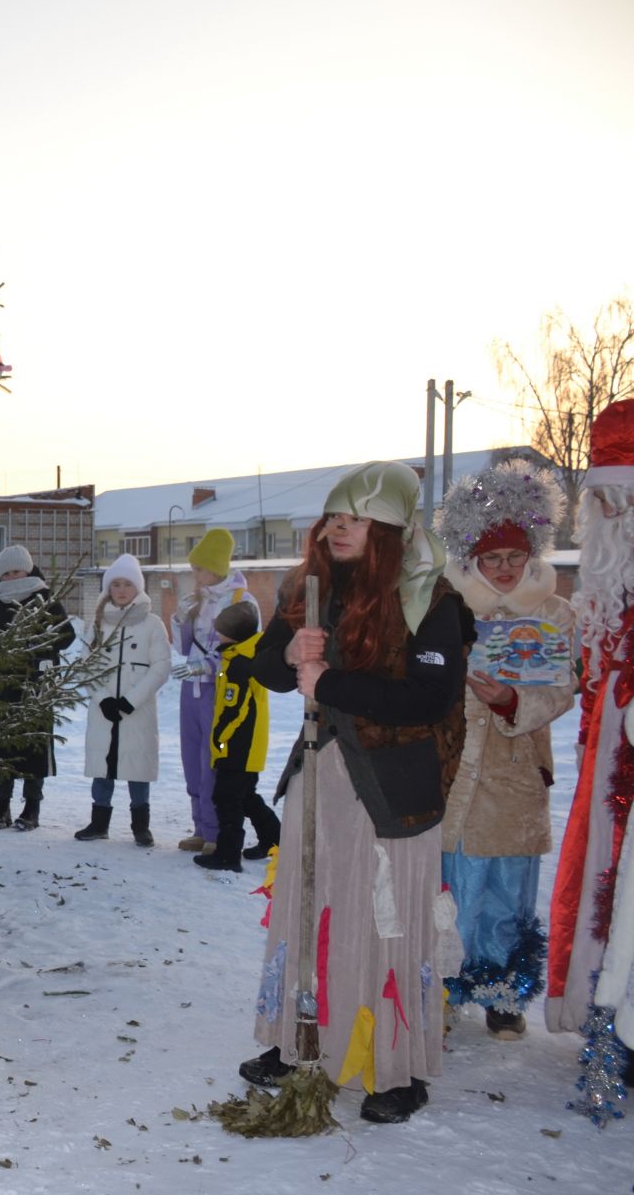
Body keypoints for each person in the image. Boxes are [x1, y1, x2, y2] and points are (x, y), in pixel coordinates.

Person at [237, 460, 467, 1124]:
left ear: (390, 529)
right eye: (333, 516)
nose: (338, 528)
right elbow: (264, 665)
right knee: (308, 906)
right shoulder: (308, 590)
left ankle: (396, 1069)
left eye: (355, 518)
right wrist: (285, 658)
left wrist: (329, 683)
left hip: (394, 789)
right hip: (321, 777)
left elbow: (429, 699)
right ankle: (296, 1039)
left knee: (384, 918)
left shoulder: (430, 599)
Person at [431, 461, 573, 1039]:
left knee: (508, 890)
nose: (507, 569)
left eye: (517, 557)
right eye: (494, 559)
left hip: (516, 772)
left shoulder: (556, 613)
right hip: (455, 768)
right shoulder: (447, 609)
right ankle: (442, 985)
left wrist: (514, 700)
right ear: (474, 561)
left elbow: (563, 690)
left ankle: (502, 994)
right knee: (452, 884)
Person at [549, 399, 634, 1038]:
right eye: (601, 502)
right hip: (606, 750)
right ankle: (604, 1010)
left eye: (620, 502)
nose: (607, 516)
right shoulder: (603, 590)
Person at [0, 544, 76, 831]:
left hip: (36, 685)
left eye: (17, 570)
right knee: (1, 745)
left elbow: (66, 633)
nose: (12, 577)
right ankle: (1, 807)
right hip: (0, 687)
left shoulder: (44, 597)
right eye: (6, 573)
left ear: (29, 569)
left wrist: (38, 646)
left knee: (33, 745)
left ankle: (32, 808)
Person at [171, 529, 256, 851]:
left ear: (217, 566)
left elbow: (246, 649)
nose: (195, 575)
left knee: (212, 762)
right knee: (191, 760)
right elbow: (182, 649)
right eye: (193, 568)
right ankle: (200, 828)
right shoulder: (199, 600)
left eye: (199, 568)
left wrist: (208, 666)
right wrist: (180, 619)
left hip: (219, 691)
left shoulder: (241, 600)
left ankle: (216, 831)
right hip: (190, 690)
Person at [76, 554, 170, 846]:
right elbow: (85, 664)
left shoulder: (153, 624)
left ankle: (140, 826)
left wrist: (130, 701)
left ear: (137, 587)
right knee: (103, 769)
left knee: (137, 770)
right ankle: (98, 822)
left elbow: (161, 667)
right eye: (115, 584)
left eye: (126, 584)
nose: (120, 590)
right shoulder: (97, 623)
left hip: (136, 712)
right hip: (104, 712)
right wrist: (103, 699)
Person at [190, 603, 280, 871]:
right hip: (248, 745)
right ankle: (274, 839)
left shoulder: (239, 663)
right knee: (245, 796)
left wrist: (219, 740)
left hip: (238, 745)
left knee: (227, 798)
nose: (217, 636)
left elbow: (234, 708)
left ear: (233, 634)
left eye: (220, 631)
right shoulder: (245, 654)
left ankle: (228, 855)